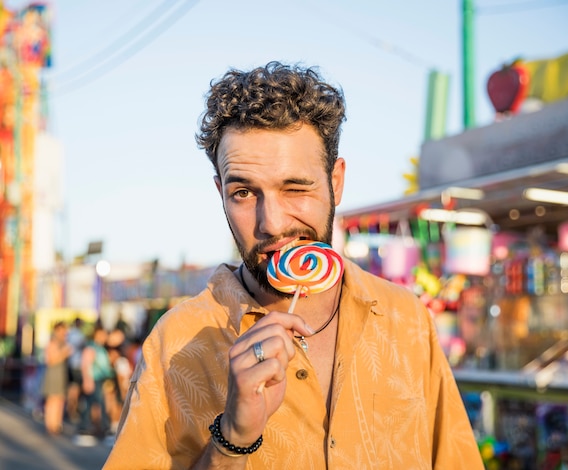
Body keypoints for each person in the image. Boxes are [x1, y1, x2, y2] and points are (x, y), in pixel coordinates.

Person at [104, 61, 483, 468]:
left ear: (335, 181)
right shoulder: (175, 342)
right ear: (220, 192)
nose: (273, 223)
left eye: (295, 188)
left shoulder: (405, 318)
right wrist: (232, 438)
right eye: (244, 192)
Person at [77, 322, 114, 441]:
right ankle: (87, 428)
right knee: (92, 404)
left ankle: (98, 428)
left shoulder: (100, 348)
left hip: (100, 379)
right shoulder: (91, 348)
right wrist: (87, 380)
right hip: (94, 379)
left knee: (98, 404)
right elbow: (85, 365)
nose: (104, 337)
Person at [40, 321, 72, 435]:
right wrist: (64, 353)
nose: (65, 332)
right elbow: (51, 360)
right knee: (52, 399)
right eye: (63, 330)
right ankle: (50, 424)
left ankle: (57, 424)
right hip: (53, 373)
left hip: (61, 374)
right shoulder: (52, 342)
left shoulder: (63, 342)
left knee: (60, 399)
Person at [65, 316, 86, 424]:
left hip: (71, 364)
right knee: (75, 390)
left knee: (72, 389)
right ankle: (72, 411)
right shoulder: (78, 335)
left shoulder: (69, 334)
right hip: (76, 365)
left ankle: (71, 410)